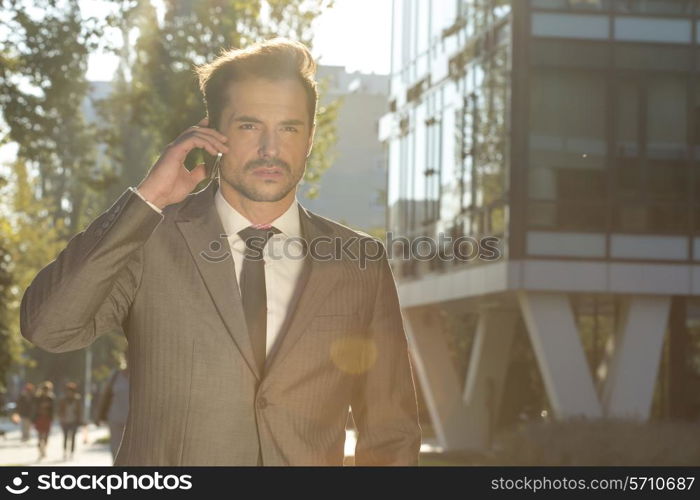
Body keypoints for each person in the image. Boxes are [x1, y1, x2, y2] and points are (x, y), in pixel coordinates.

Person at [20, 38, 421, 466]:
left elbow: (390, 432)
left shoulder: (360, 262)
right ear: (213, 132)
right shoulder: (147, 238)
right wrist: (149, 198)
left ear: (309, 138)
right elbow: (49, 327)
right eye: (249, 126)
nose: (271, 148)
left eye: (289, 127)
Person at [96, 366, 129, 460]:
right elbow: (105, 395)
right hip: (115, 418)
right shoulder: (115, 375)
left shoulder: (142, 375)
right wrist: (99, 415)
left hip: (135, 421)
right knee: (116, 449)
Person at [57, 382, 83, 460]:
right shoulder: (63, 400)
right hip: (65, 421)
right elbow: (60, 410)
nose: (69, 393)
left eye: (71, 391)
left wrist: (80, 420)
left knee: (73, 437)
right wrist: (61, 418)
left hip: (74, 421)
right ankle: (65, 451)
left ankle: (71, 452)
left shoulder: (77, 399)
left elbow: (80, 411)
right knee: (65, 437)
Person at [32, 381, 54, 460]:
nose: (46, 391)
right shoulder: (38, 398)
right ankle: (40, 450)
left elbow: (53, 410)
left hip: (47, 418)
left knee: (46, 436)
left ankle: (44, 449)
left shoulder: (50, 398)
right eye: (44, 389)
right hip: (39, 418)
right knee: (40, 435)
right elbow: (34, 408)